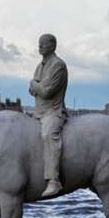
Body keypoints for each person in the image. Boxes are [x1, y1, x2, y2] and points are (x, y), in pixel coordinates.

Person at [29, 34, 68, 197]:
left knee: (49, 135)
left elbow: (46, 91)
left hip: (53, 112)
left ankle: (53, 180)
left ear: (52, 46)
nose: (39, 46)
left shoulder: (58, 65)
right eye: (38, 44)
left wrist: (34, 84)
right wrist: (36, 86)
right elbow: (33, 91)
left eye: (42, 44)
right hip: (37, 112)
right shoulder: (40, 66)